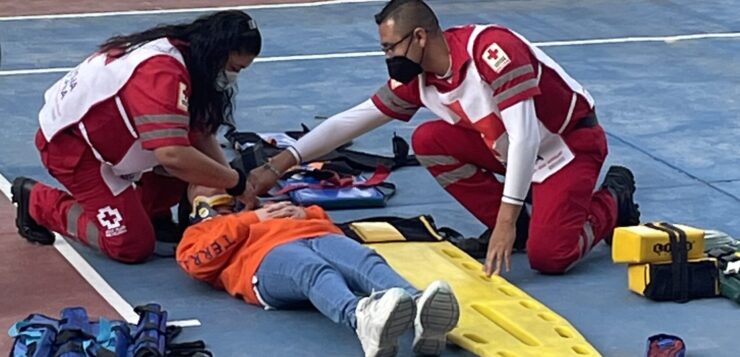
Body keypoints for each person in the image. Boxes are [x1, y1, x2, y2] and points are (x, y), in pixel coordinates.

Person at [245, 0, 641, 276]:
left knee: (551, 257)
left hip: (567, 147)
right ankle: (522, 223)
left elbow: (525, 139)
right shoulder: (419, 78)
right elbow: (353, 120)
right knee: (430, 139)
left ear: (419, 37)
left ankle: (611, 201)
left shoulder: (491, 50)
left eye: (390, 47)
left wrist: (502, 221)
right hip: (513, 152)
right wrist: (280, 164)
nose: (387, 58)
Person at [11, 11, 261, 263]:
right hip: (74, 150)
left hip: (113, 138)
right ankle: (38, 202)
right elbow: (172, 154)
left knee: (195, 162)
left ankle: (153, 212)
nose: (232, 77)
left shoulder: (189, 57)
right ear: (216, 52)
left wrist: (231, 182)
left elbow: (201, 134)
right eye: (233, 68)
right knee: (130, 245)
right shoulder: (160, 73)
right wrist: (234, 181)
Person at [177, 186, 460, 357]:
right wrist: (249, 219)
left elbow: (329, 225)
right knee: (311, 270)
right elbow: (198, 264)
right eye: (200, 182)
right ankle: (360, 319)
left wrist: (306, 214)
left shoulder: (273, 205)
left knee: (363, 259)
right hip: (262, 260)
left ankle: (419, 306)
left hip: (315, 235)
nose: (212, 180)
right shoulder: (199, 230)